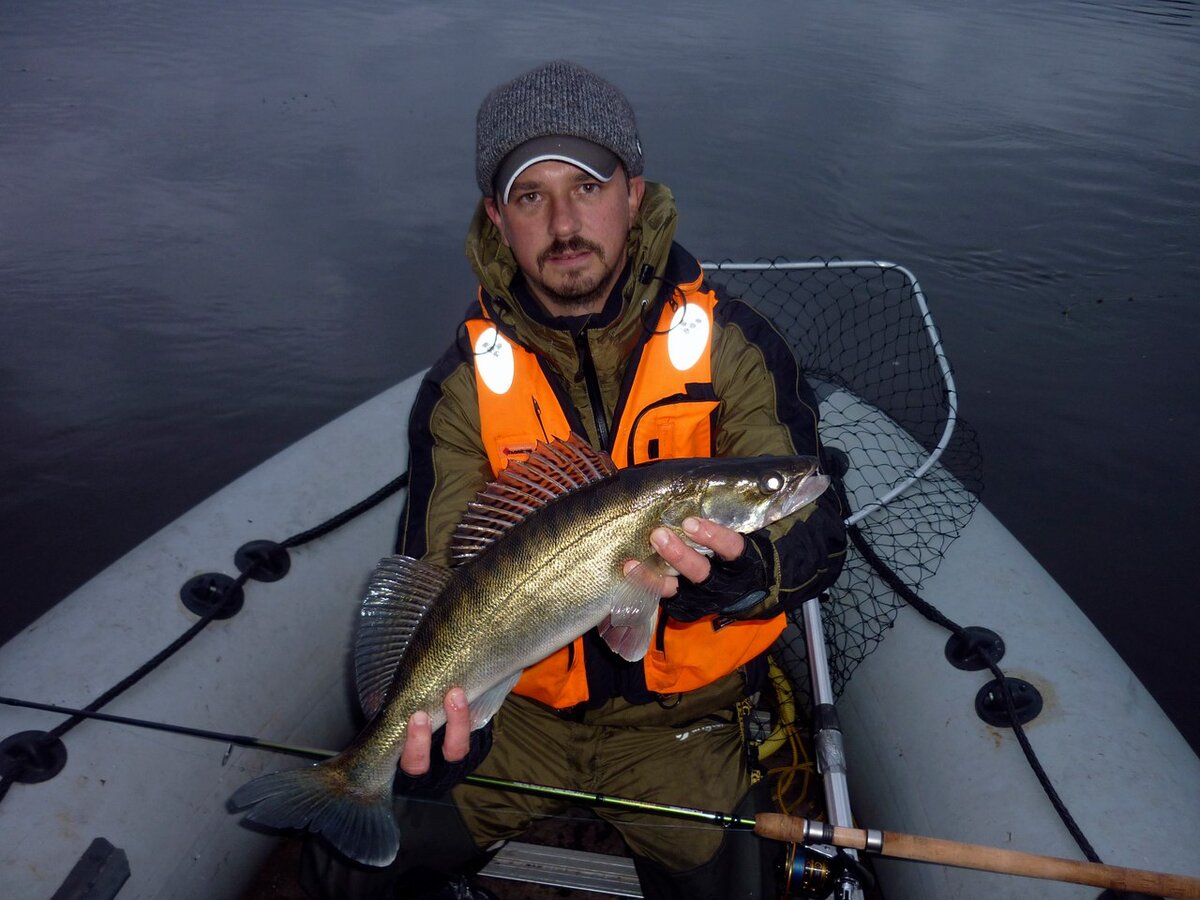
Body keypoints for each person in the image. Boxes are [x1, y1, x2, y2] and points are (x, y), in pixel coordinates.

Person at [301, 59, 847, 900]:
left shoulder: (735, 345)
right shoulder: (458, 389)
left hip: (683, 725)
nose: (563, 221)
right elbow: (436, 578)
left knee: (747, 888)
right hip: (514, 717)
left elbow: (817, 537)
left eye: (587, 185)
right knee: (344, 867)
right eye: (530, 196)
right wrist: (455, 737)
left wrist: (737, 574)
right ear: (498, 217)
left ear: (633, 193)